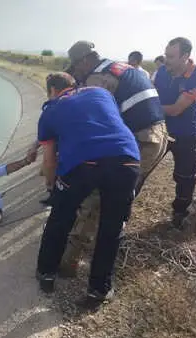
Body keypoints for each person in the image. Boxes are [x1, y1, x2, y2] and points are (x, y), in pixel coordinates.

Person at [57, 41, 167, 276]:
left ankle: (71, 261)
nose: (77, 74)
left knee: (96, 197)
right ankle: (105, 240)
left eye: (76, 68)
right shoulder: (119, 67)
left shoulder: (98, 80)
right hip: (156, 136)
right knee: (121, 196)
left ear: (86, 60)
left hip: (141, 140)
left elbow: (94, 126)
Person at [36, 72, 140, 304]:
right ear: (75, 84)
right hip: (127, 160)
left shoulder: (50, 110)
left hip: (83, 164)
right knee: (111, 228)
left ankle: (46, 273)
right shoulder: (101, 92)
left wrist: (52, 186)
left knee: (60, 218)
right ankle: (98, 290)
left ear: (53, 90)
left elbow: (49, 161)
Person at [154, 37, 196, 228]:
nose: (166, 59)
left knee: (184, 175)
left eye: (171, 56)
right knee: (141, 169)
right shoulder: (161, 72)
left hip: (186, 133)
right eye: (166, 54)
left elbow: (176, 109)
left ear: (186, 56)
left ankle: (181, 210)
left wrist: (150, 106)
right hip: (160, 129)